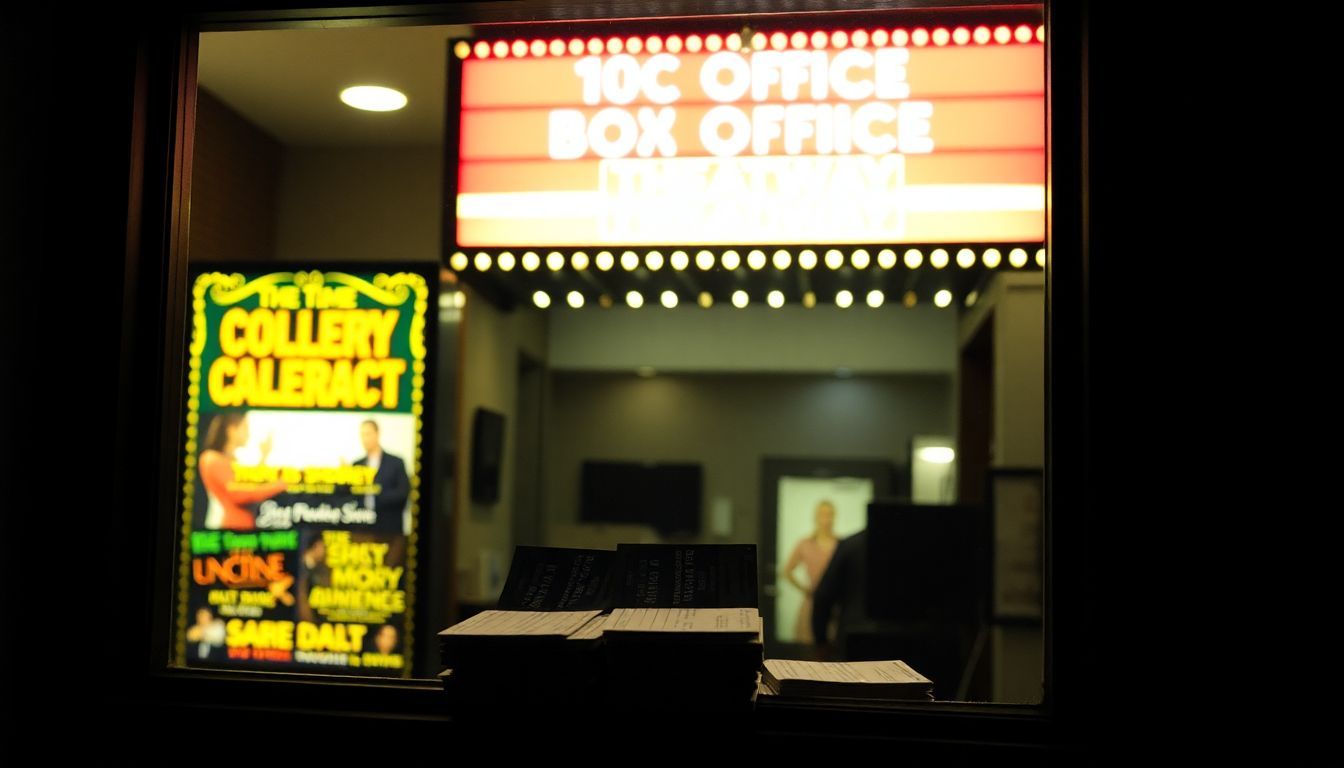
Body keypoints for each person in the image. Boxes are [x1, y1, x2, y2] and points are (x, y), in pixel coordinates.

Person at [199, 411, 285, 530]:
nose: (249, 433)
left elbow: (250, 483)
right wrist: (280, 485)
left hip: (244, 529)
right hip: (227, 530)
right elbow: (240, 493)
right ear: (232, 430)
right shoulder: (211, 458)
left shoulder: (232, 461)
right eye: (245, 427)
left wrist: (263, 455)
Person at [780, 500, 840, 643]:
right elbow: (786, 571)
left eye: (829, 514)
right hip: (811, 604)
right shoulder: (804, 544)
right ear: (816, 517)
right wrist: (805, 589)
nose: (826, 519)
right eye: (822, 514)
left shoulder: (840, 544)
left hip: (835, 606)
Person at [353, 419, 410, 534]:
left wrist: (375, 493)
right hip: (362, 530)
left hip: (389, 529)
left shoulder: (396, 463)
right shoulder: (356, 465)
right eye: (362, 435)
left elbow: (403, 494)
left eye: (368, 434)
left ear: (377, 434)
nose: (365, 439)